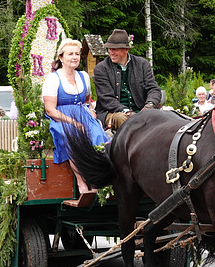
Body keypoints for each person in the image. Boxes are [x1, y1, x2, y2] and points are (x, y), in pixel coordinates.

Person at [42, 39, 109, 196]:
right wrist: (73, 122)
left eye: (77, 54)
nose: (74, 57)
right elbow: (50, 109)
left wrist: (91, 112)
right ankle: (81, 180)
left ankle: (97, 178)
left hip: (82, 113)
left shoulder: (83, 76)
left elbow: (87, 100)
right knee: (72, 135)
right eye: (70, 54)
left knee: (98, 134)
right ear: (61, 57)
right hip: (61, 117)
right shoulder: (53, 78)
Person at [93, 29, 162, 131]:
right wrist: (127, 111)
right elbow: (107, 99)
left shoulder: (142, 64)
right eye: (109, 49)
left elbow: (153, 89)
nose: (111, 52)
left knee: (166, 119)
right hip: (113, 113)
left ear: (126, 50)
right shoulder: (101, 69)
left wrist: (149, 105)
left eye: (115, 49)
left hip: (142, 111)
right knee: (123, 119)